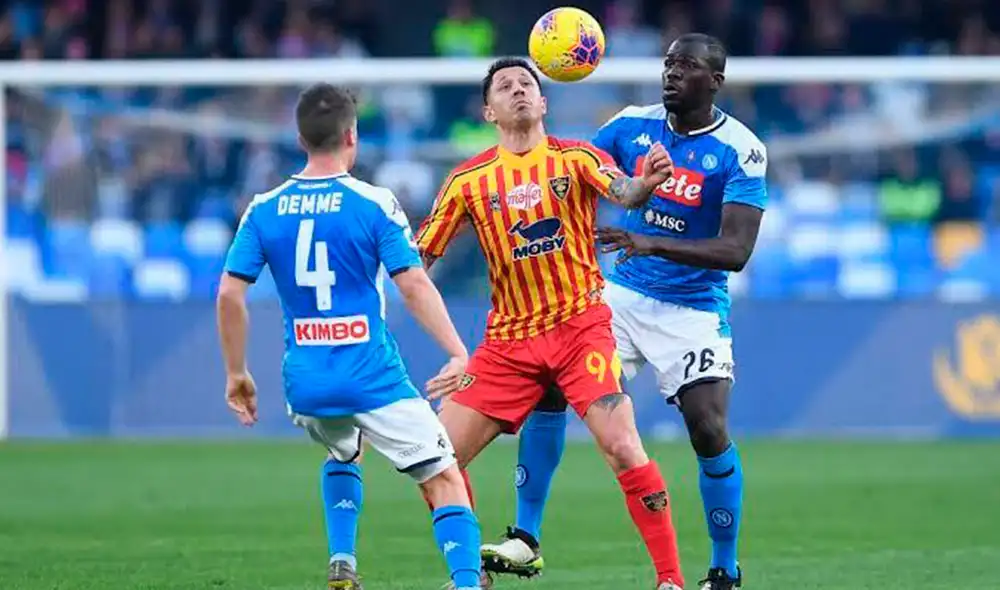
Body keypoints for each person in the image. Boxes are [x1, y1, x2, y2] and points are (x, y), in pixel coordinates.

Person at [483, 34, 768, 590]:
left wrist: (649, 243)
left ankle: (724, 569)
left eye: (687, 67)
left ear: (715, 82)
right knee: (550, 386)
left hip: (693, 308)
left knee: (708, 428)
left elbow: (736, 251)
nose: (671, 75)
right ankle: (526, 538)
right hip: (621, 298)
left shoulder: (741, 149)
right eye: (668, 65)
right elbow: (571, 173)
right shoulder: (629, 126)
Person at [417, 57, 685, 590]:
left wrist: (647, 183)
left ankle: (671, 580)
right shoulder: (468, 180)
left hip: (579, 327)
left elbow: (623, 192)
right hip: (507, 342)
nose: (518, 91)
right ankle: (473, 576)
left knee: (623, 446)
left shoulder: (577, 158)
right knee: (434, 458)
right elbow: (417, 259)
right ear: (488, 111)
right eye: (505, 87)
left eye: (527, 85)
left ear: (543, 102)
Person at [216, 83, 487, 590]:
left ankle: (343, 564)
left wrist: (237, 373)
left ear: (300, 138)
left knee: (344, 449)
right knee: (445, 476)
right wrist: (456, 350)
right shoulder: (374, 203)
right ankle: (468, 583)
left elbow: (230, 294)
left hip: (307, 383)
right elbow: (412, 283)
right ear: (352, 137)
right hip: (371, 375)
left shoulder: (262, 208)